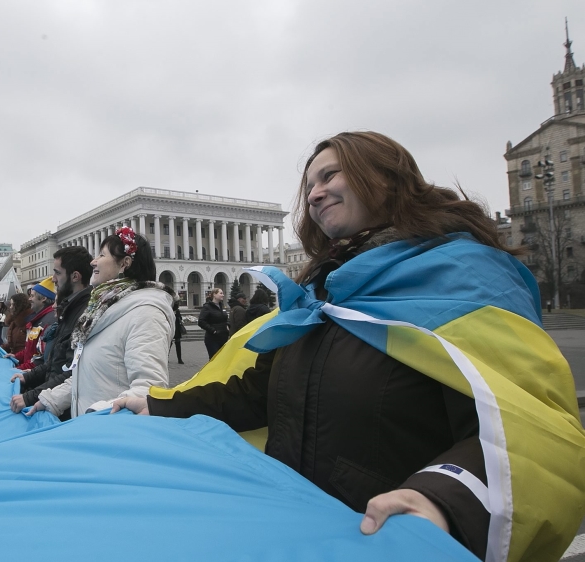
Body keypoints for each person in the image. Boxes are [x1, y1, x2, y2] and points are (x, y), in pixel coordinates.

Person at [112, 131, 585, 562]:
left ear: (385, 179)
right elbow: (255, 393)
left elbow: (517, 429)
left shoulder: (461, 283)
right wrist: (158, 404)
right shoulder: (324, 297)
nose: (314, 193)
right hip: (306, 535)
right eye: (309, 186)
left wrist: (441, 498)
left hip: (393, 541)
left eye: (330, 174)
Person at [29, 226, 173, 419]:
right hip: (88, 428)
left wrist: (97, 415)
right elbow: (87, 375)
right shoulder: (103, 310)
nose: (93, 261)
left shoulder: (145, 314)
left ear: (125, 264)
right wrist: (51, 400)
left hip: (108, 435)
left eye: (102, 255)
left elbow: (148, 391)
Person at [10, 246, 93, 416]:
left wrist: (30, 397)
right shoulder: (70, 309)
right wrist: (30, 376)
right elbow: (56, 360)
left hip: (63, 407)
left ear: (75, 276)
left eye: (57, 273)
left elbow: (71, 370)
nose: (53, 279)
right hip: (52, 399)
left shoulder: (83, 314)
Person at [11, 278, 57, 370]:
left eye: (32, 296)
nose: (29, 299)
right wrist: (15, 356)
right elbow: (30, 350)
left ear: (43, 298)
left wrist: (20, 369)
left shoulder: (49, 322)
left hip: (35, 376)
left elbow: (41, 358)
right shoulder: (38, 319)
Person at [198, 288, 229, 359]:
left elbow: (226, 318)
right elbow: (201, 321)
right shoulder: (207, 307)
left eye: (223, 293)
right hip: (213, 339)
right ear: (214, 294)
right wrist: (213, 330)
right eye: (221, 293)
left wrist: (228, 325)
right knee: (215, 359)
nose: (223, 295)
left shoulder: (222, 306)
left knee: (223, 359)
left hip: (223, 337)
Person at [167, 299, 185, 364]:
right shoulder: (168, 310)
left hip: (177, 329)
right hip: (170, 329)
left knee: (178, 345)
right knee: (168, 345)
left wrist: (177, 316)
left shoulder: (177, 311)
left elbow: (180, 318)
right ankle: (166, 358)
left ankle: (179, 359)